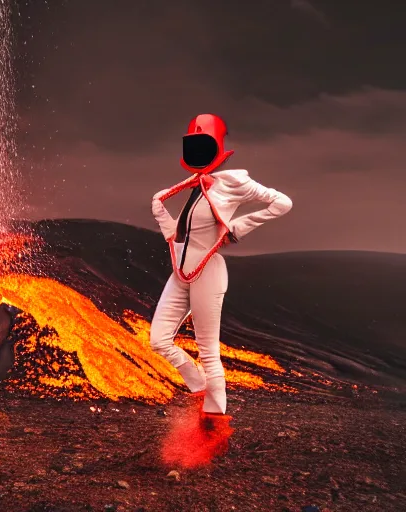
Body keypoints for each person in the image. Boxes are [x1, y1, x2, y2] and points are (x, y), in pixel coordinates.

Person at [150, 113, 293, 452]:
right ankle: (198, 384)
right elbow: (178, 230)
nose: (198, 150)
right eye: (193, 144)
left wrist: (237, 228)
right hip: (181, 272)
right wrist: (161, 206)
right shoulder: (197, 186)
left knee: (208, 350)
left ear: (217, 147)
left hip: (208, 271)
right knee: (158, 340)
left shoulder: (232, 181)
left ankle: (213, 428)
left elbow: (282, 203)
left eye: (204, 143)